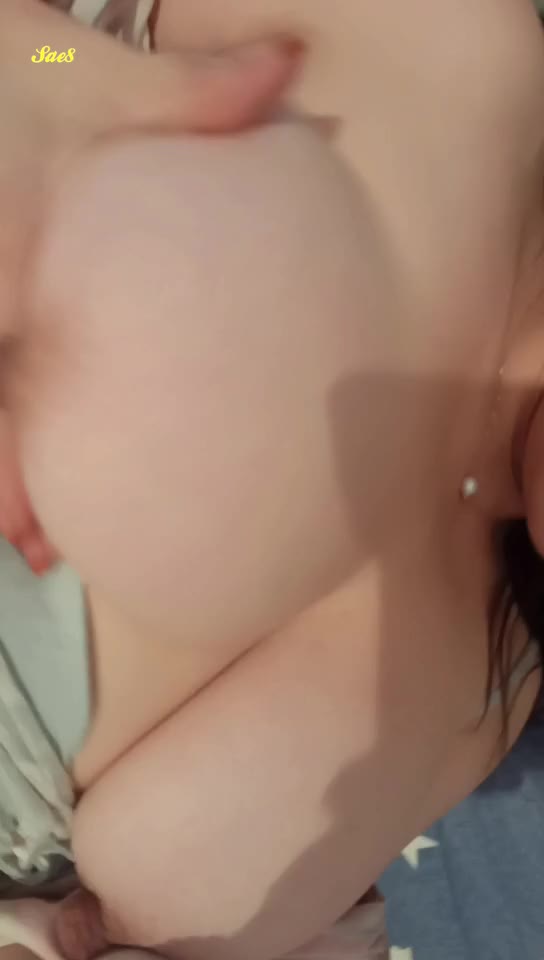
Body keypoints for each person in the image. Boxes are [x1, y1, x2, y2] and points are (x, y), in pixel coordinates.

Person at [2, 0, 544, 959]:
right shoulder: (466, 54)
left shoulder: (475, 690)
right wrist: (43, 64)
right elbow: (50, 37)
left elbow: (160, 895)